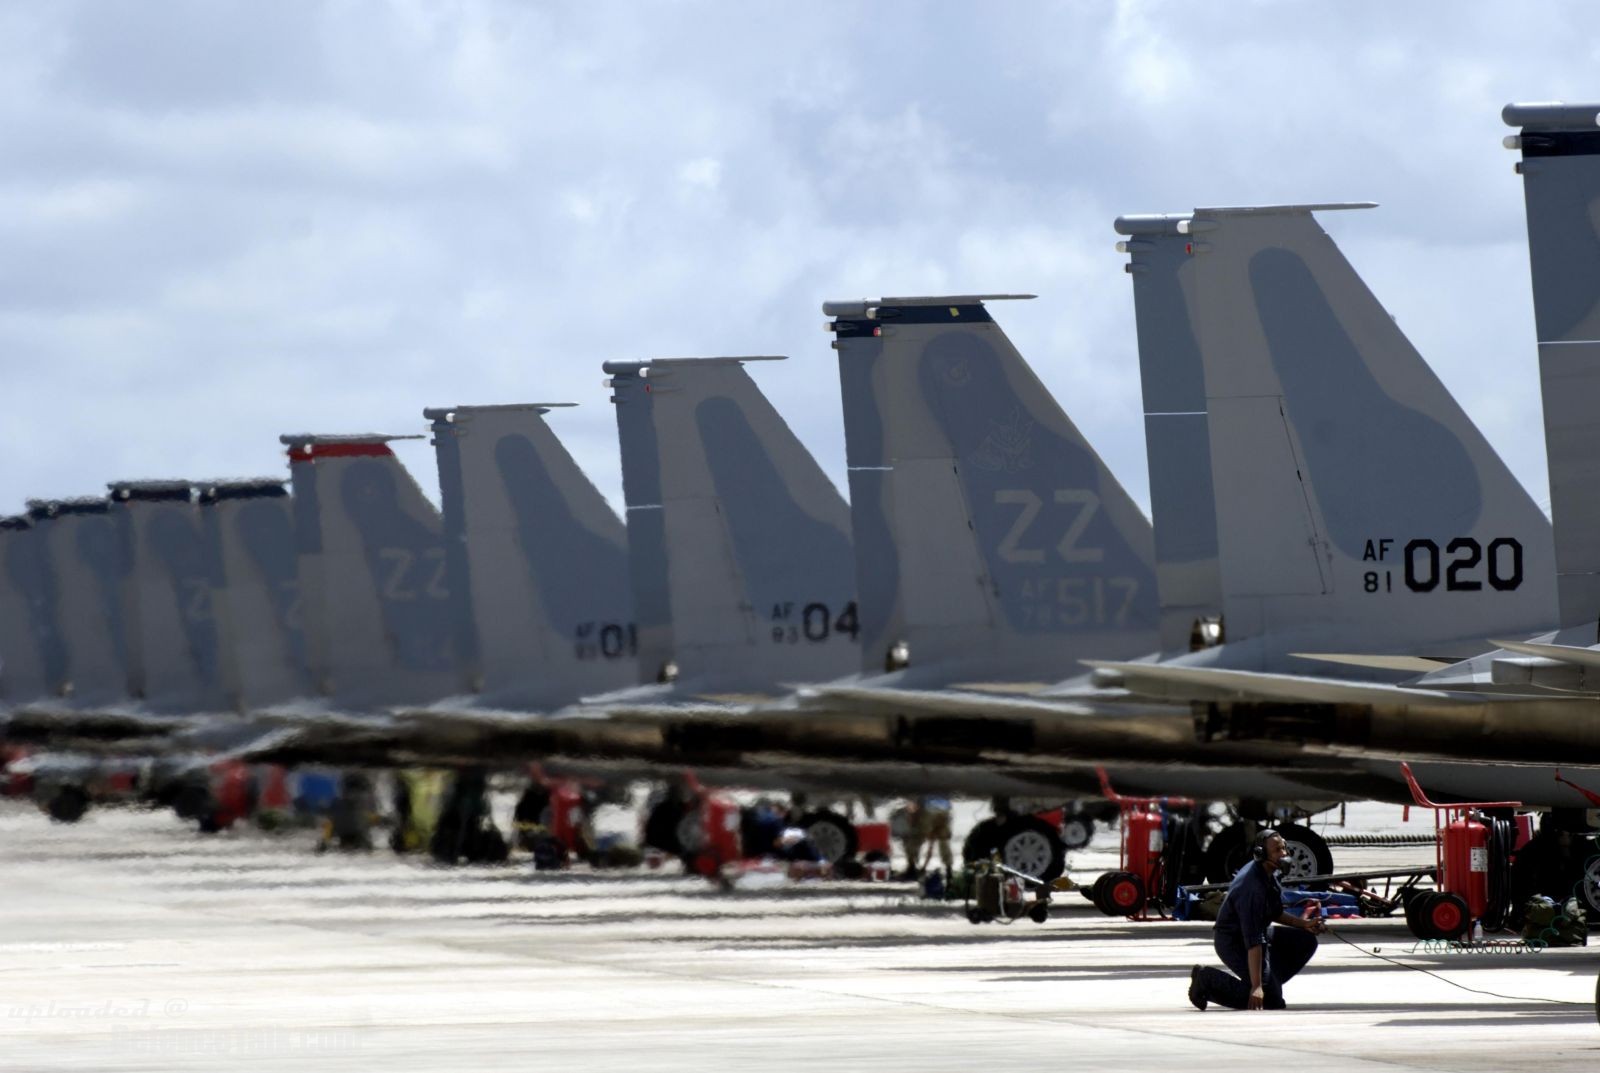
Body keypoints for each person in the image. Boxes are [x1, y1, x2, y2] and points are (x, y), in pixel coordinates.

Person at [1188, 830, 1325, 1010]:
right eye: (1277, 850)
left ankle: (1270, 984)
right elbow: (1253, 941)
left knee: (1306, 941)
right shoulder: (1252, 888)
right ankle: (1206, 979)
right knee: (1272, 1002)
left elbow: (1274, 913)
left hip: (1255, 934)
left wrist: (1305, 924)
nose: (1284, 853)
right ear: (1261, 854)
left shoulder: (1269, 873)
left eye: (1284, 848)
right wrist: (1257, 986)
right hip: (1233, 941)